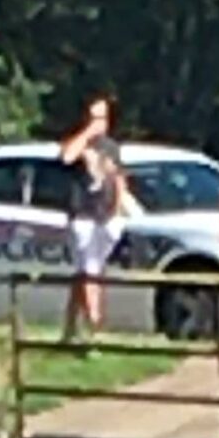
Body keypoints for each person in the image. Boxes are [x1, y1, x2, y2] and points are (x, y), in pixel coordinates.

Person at [56, 94, 131, 343]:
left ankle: (70, 330)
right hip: (83, 216)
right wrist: (87, 133)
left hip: (105, 216)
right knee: (90, 271)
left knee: (87, 272)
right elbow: (66, 157)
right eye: (95, 117)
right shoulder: (79, 142)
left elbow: (120, 178)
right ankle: (95, 328)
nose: (100, 123)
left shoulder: (111, 147)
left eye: (103, 118)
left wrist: (118, 209)